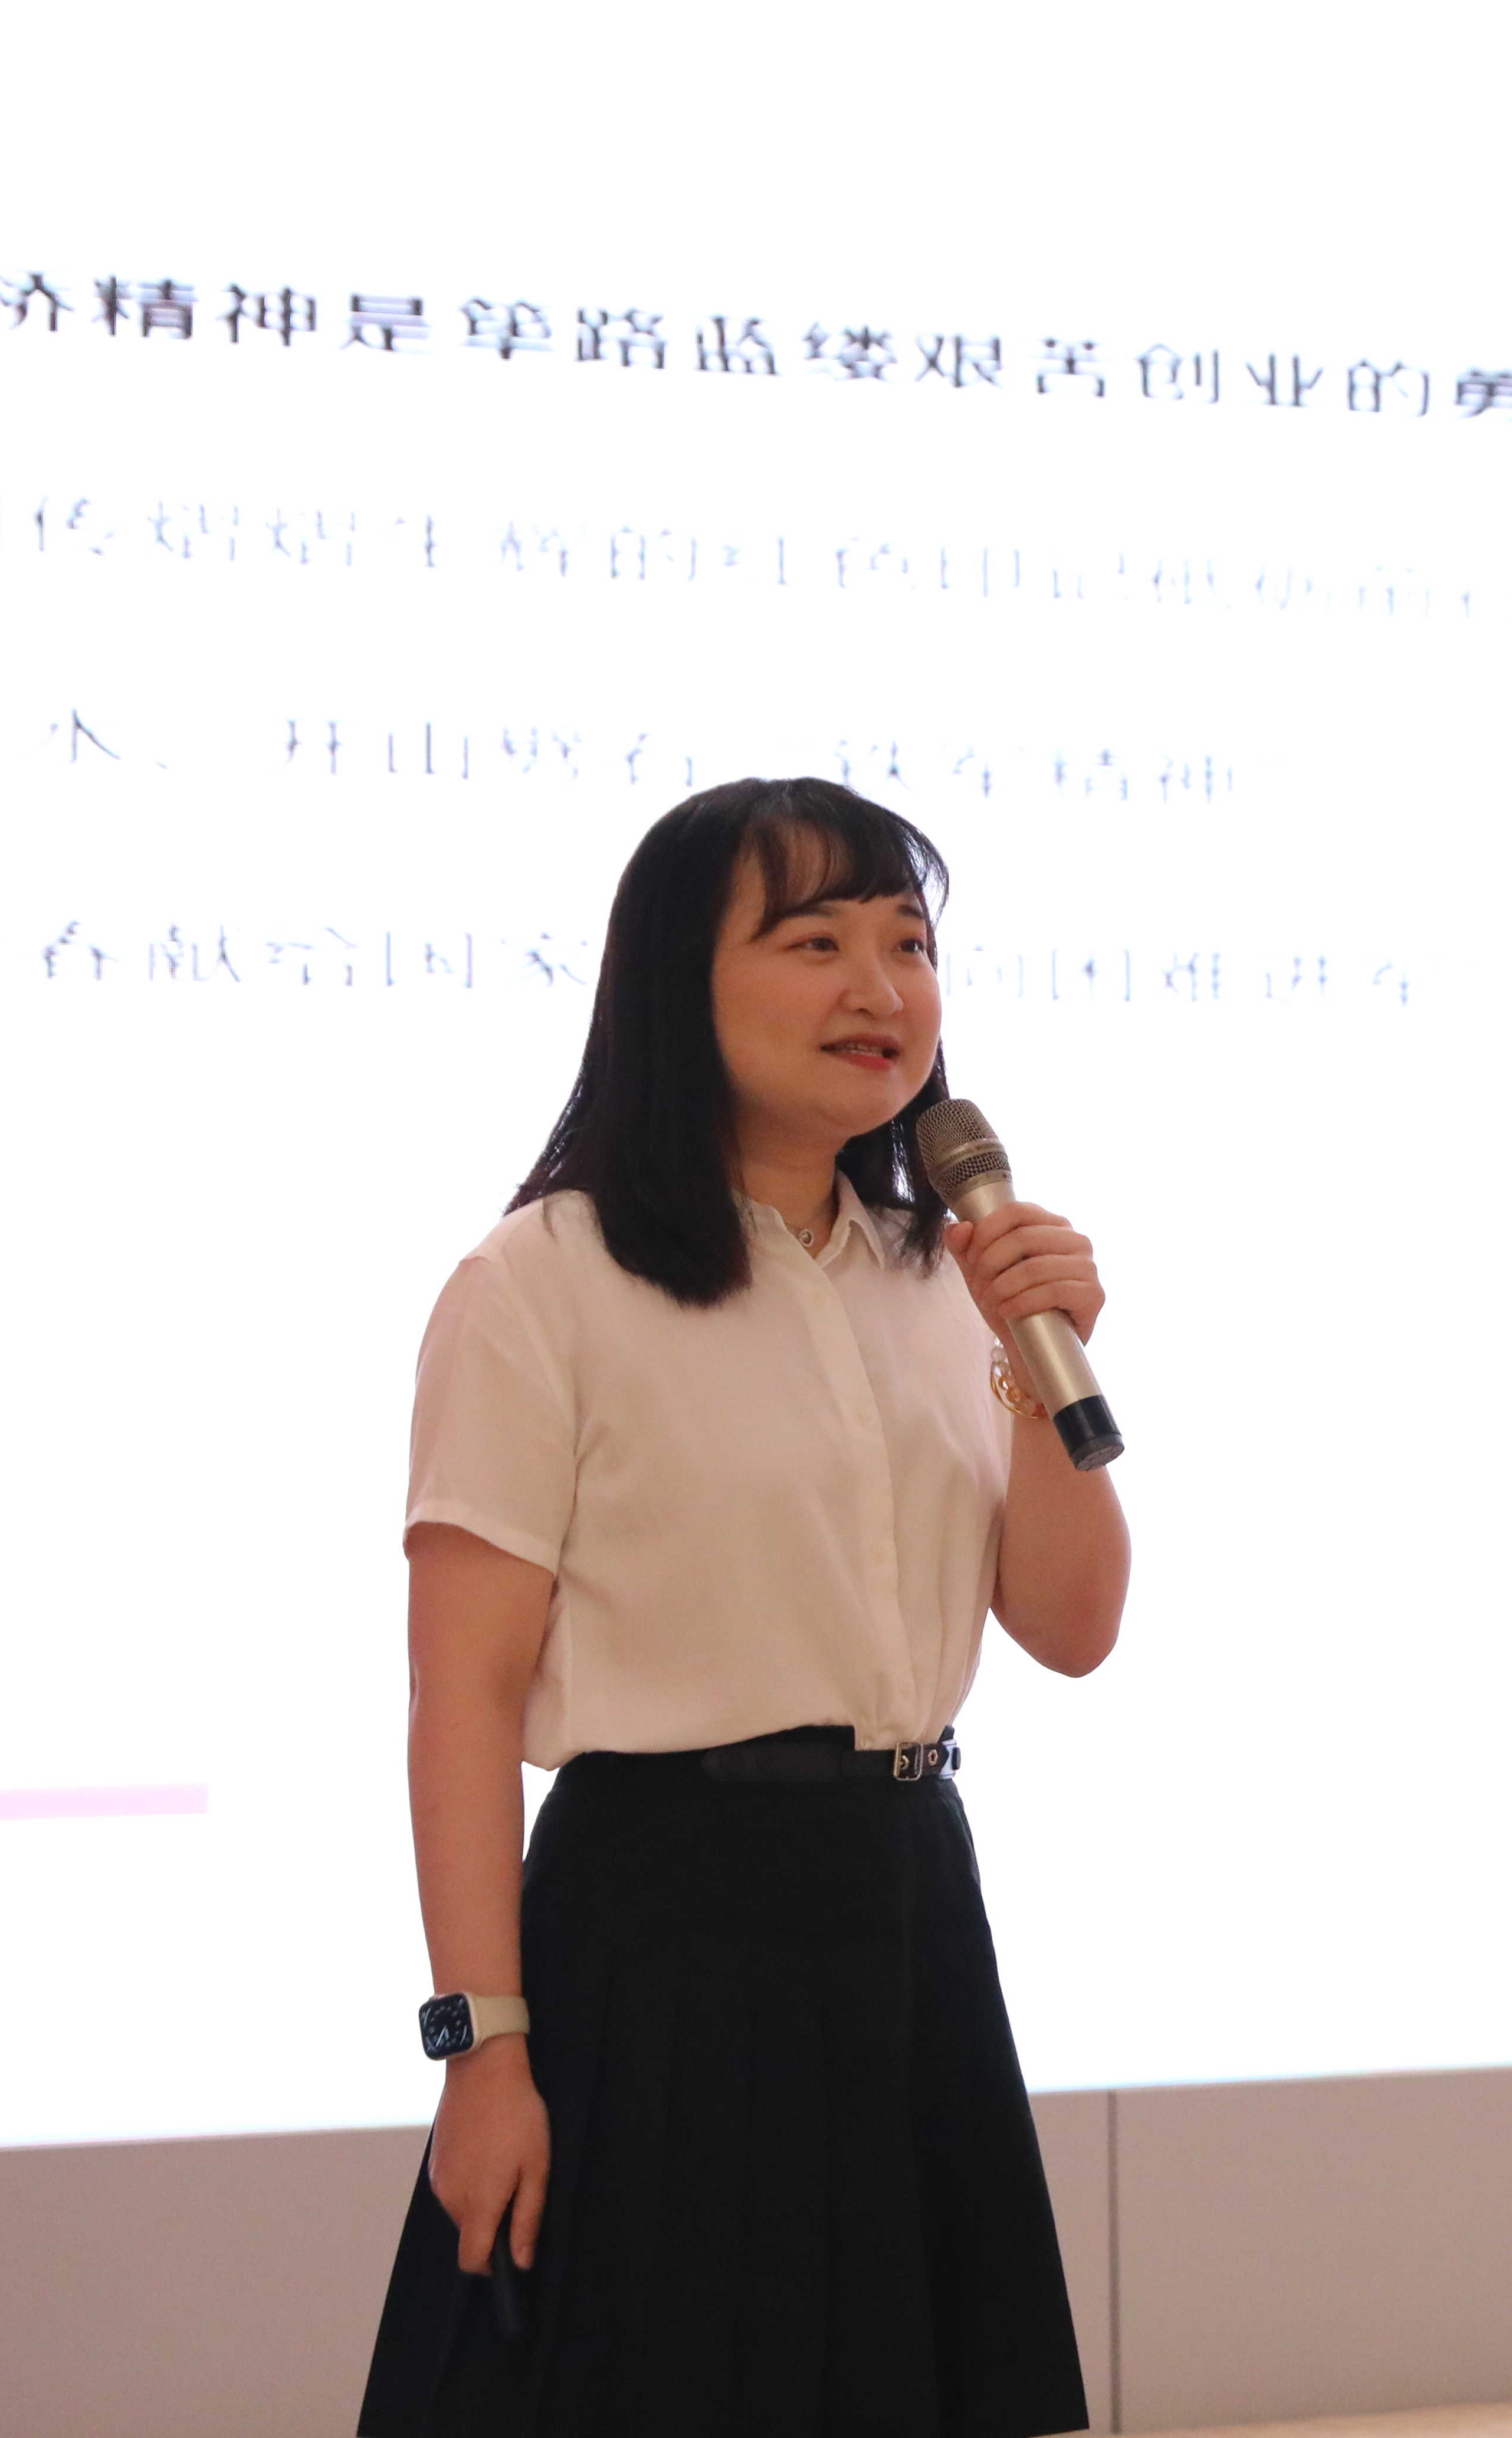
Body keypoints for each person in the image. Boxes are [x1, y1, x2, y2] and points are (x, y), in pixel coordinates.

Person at [358, 776, 1128, 2437]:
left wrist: (1035, 1362)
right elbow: (462, 1698)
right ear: (674, 984)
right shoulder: (543, 1281)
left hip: (908, 1900)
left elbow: (1072, 1631)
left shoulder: (944, 1277)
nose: (881, 988)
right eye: (816, 942)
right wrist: (482, 2049)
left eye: (909, 944)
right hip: (664, 1931)